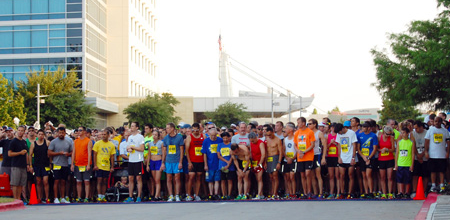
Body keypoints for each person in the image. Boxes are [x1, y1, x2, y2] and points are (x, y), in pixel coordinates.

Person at [424, 117, 450, 193]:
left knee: (441, 171)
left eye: (438, 121)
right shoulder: (430, 130)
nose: (437, 123)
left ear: (441, 122)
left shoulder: (445, 131)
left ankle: (442, 185)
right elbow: (426, 141)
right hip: (432, 154)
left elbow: (448, 143)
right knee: (433, 171)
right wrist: (426, 152)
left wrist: (447, 152)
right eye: (435, 121)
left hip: (442, 154)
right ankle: (433, 185)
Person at [48, 127, 73, 204]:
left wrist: (68, 154)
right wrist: (59, 153)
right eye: (60, 132)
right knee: (56, 181)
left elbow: (72, 152)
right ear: (57, 133)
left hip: (65, 164)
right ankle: (56, 198)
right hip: (56, 164)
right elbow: (49, 153)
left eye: (63, 133)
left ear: (65, 133)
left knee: (63, 181)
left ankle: (63, 197)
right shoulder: (53, 142)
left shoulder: (68, 142)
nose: (61, 134)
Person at [161, 122, 185, 202]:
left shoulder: (179, 138)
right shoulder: (165, 138)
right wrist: (163, 162)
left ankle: (177, 195)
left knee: (177, 178)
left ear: (172, 129)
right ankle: (171, 195)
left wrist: (180, 162)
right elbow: (164, 151)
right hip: (168, 161)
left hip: (177, 160)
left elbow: (182, 150)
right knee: (169, 178)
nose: (166, 129)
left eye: (168, 128)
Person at [123, 122, 145, 203]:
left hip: (138, 160)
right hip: (131, 160)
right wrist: (129, 149)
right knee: (130, 178)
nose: (131, 128)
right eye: (131, 126)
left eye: (133, 126)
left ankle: (139, 196)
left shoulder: (140, 137)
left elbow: (142, 149)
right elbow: (128, 148)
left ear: (137, 127)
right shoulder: (130, 137)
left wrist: (133, 147)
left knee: (138, 178)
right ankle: (130, 196)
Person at [294, 117, 316, 199]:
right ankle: (305, 192)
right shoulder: (297, 133)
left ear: (303, 123)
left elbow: (312, 144)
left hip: (308, 156)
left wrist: (304, 152)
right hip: (300, 157)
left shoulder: (310, 132)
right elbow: (295, 145)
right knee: (302, 174)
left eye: (299, 122)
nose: (298, 124)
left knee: (308, 173)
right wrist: (299, 151)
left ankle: (309, 191)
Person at [335, 123, 357, 199]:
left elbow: (354, 145)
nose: (339, 134)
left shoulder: (351, 133)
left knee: (350, 175)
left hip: (350, 156)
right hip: (342, 157)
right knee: (342, 175)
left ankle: (349, 193)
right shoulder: (339, 134)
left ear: (342, 129)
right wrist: (339, 157)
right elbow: (339, 145)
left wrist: (353, 157)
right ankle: (342, 192)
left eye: (339, 132)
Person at [357, 122, 379, 199]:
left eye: (364, 127)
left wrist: (369, 158)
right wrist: (363, 157)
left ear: (368, 128)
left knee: (368, 174)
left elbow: (375, 148)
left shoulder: (373, 136)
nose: (362, 128)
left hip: (370, 158)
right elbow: (358, 148)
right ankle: (366, 192)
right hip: (362, 157)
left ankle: (371, 191)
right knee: (363, 175)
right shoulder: (360, 135)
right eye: (362, 127)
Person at [28, 129, 51, 203]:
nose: (41, 136)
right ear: (37, 135)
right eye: (39, 134)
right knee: (38, 182)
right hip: (37, 165)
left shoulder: (47, 143)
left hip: (45, 165)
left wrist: (50, 163)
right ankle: (39, 197)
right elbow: (30, 155)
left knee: (45, 181)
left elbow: (50, 154)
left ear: (44, 135)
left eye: (42, 134)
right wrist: (30, 166)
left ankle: (47, 197)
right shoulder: (33, 144)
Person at [71, 126, 93, 203]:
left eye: (80, 130)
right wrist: (72, 164)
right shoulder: (75, 141)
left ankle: (86, 197)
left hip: (85, 163)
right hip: (77, 164)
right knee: (78, 181)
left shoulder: (88, 141)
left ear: (84, 131)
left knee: (86, 181)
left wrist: (88, 164)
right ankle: (79, 197)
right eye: (78, 130)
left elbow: (89, 153)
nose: (79, 132)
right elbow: (73, 152)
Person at [93, 129, 116, 202]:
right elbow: (95, 154)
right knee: (99, 180)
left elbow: (112, 156)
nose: (103, 136)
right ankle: (99, 195)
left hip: (106, 165)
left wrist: (112, 166)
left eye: (105, 134)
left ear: (108, 135)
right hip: (99, 165)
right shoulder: (97, 143)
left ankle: (103, 195)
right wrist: (95, 165)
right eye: (102, 134)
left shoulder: (111, 145)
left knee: (105, 181)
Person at [184, 123, 206, 201]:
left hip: (200, 160)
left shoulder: (203, 136)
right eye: (193, 130)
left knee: (199, 177)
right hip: (192, 160)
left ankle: (196, 194)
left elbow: (205, 149)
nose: (195, 131)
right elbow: (186, 150)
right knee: (191, 176)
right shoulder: (189, 137)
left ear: (199, 129)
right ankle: (189, 195)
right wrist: (189, 162)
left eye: (196, 130)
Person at [202, 123, 223, 200]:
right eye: (212, 135)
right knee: (210, 180)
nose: (213, 137)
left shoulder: (220, 140)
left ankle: (216, 193)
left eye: (215, 135)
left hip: (218, 163)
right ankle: (211, 194)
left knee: (217, 179)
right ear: (209, 134)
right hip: (210, 163)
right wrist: (205, 164)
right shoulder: (206, 141)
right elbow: (204, 153)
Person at [8, 126, 28, 200]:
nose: (20, 132)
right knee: (15, 183)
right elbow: (9, 154)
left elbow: (27, 154)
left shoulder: (24, 142)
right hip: (15, 165)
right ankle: (15, 199)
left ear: (24, 132)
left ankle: (18, 198)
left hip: (23, 165)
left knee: (21, 184)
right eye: (19, 130)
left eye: (22, 130)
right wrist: (19, 153)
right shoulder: (13, 142)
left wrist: (28, 165)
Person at [308, 119, 327, 199]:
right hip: (309, 155)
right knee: (311, 175)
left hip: (317, 155)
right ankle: (315, 192)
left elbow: (325, 145)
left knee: (318, 175)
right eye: (308, 124)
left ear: (315, 124)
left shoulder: (319, 133)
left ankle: (321, 193)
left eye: (310, 124)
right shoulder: (308, 133)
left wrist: (323, 158)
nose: (308, 125)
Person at [395, 127, 415, 198]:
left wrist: (412, 164)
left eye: (403, 133)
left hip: (408, 163)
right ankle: (401, 191)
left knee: (407, 178)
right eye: (401, 133)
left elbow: (412, 154)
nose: (402, 134)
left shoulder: (411, 143)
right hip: (400, 163)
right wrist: (396, 164)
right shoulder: (399, 142)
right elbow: (397, 153)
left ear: (407, 133)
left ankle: (407, 192)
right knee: (400, 178)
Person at [264, 124, 282, 199]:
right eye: (268, 135)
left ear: (273, 132)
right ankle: (271, 192)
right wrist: (265, 162)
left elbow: (281, 152)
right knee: (270, 177)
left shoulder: (278, 140)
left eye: (270, 135)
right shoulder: (266, 139)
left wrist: (279, 162)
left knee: (275, 175)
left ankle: (275, 193)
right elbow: (266, 152)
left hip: (275, 157)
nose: (269, 136)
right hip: (269, 158)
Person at [378, 126, 396, 199]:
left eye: (390, 134)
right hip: (381, 159)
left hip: (389, 158)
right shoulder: (379, 137)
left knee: (390, 177)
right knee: (382, 177)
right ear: (383, 132)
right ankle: (384, 193)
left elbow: (393, 149)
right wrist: (381, 150)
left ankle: (390, 193)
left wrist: (387, 150)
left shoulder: (391, 138)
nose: (388, 135)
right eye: (387, 134)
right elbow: (376, 148)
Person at [412, 121, 428, 198]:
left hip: (425, 157)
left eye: (417, 128)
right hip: (416, 157)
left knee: (425, 175)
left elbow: (428, 145)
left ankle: (424, 191)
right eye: (415, 128)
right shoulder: (413, 133)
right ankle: (415, 190)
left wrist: (422, 155)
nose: (416, 130)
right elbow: (413, 145)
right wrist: (418, 156)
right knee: (415, 175)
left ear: (421, 127)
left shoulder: (427, 133)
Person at [145, 130, 163, 201]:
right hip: (152, 161)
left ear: (158, 136)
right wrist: (147, 165)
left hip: (159, 161)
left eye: (156, 135)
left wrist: (163, 163)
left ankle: (156, 195)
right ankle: (158, 195)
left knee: (157, 180)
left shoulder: (161, 143)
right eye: (153, 135)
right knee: (154, 180)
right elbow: (149, 154)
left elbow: (163, 153)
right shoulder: (150, 143)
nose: (154, 136)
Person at [217, 132, 235, 200]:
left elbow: (232, 155)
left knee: (230, 180)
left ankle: (229, 194)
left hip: (230, 165)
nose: (225, 139)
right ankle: (224, 194)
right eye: (223, 138)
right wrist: (226, 162)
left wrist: (229, 163)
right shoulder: (220, 145)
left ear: (229, 138)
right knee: (223, 180)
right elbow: (219, 155)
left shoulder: (231, 145)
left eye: (226, 138)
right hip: (222, 165)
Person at [249, 132, 265, 199]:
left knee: (259, 178)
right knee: (257, 179)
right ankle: (261, 193)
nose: (252, 142)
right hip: (254, 163)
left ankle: (259, 194)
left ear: (256, 137)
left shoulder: (261, 143)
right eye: (251, 141)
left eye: (253, 140)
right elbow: (250, 153)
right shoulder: (251, 143)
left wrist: (259, 164)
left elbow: (263, 154)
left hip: (260, 162)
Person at [282, 122, 297, 199]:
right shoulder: (285, 139)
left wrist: (292, 158)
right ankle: (289, 192)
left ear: (291, 130)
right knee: (287, 177)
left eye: (286, 128)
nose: (285, 130)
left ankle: (293, 193)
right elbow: (283, 150)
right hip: (286, 160)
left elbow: (297, 150)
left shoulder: (296, 138)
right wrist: (287, 158)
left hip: (294, 160)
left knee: (292, 176)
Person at [326, 123, 340, 199]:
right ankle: (331, 193)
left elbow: (340, 147)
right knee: (331, 176)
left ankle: (338, 193)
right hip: (330, 157)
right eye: (331, 127)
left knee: (337, 176)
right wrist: (330, 143)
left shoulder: (339, 136)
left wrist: (335, 143)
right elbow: (326, 147)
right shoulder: (328, 136)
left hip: (337, 157)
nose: (332, 129)